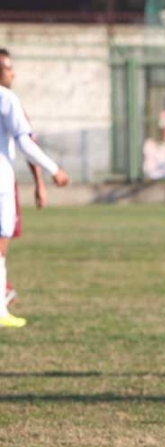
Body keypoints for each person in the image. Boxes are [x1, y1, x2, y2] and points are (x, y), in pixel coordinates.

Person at [0, 48, 70, 328]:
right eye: (7, 68)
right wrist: (54, 169)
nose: (12, 73)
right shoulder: (7, 99)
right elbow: (25, 142)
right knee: (1, 245)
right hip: (1, 182)